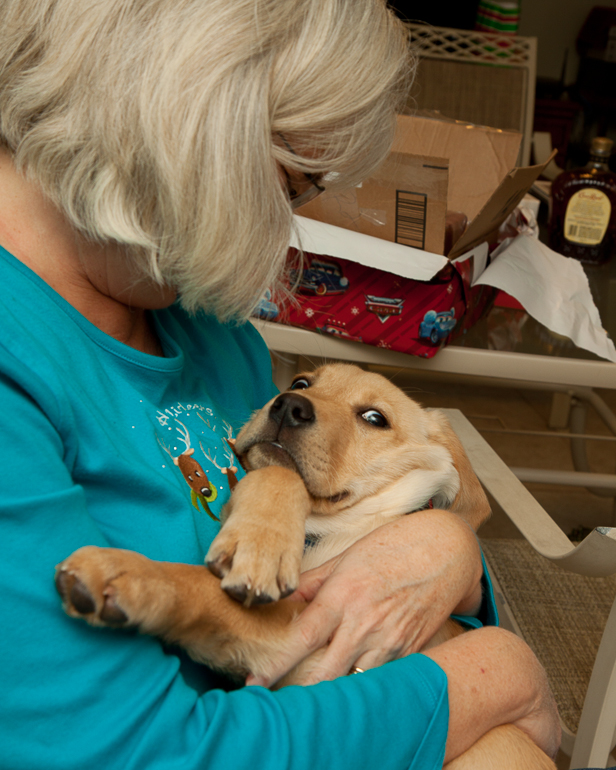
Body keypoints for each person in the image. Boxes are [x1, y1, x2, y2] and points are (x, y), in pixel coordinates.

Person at [0, 1, 559, 768]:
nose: (281, 236)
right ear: (186, 120)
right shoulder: (19, 363)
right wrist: (493, 680)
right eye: (288, 187)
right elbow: (140, 753)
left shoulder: (209, 330)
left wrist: (445, 553)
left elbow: (328, 549)